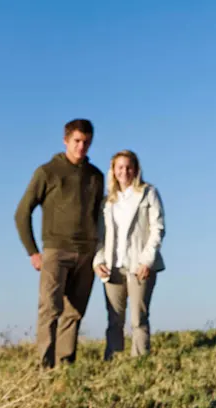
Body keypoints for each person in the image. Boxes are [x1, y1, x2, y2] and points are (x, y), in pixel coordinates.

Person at [14, 118, 105, 369]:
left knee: (74, 312)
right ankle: (45, 367)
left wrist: (99, 252)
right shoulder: (47, 172)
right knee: (50, 309)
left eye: (87, 142)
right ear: (65, 140)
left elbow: (100, 217)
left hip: (86, 253)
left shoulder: (96, 176)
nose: (81, 146)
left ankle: (65, 366)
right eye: (77, 141)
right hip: (56, 250)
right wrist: (33, 252)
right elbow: (22, 212)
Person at [93, 150, 165, 360]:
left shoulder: (148, 193)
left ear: (136, 169)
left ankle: (140, 361)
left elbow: (158, 228)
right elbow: (100, 236)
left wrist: (147, 260)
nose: (124, 171)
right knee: (114, 319)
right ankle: (113, 360)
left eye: (128, 167)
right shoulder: (108, 202)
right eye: (120, 167)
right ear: (113, 171)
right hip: (113, 266)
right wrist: (98, 261)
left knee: (138, 318)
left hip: (140, 265)